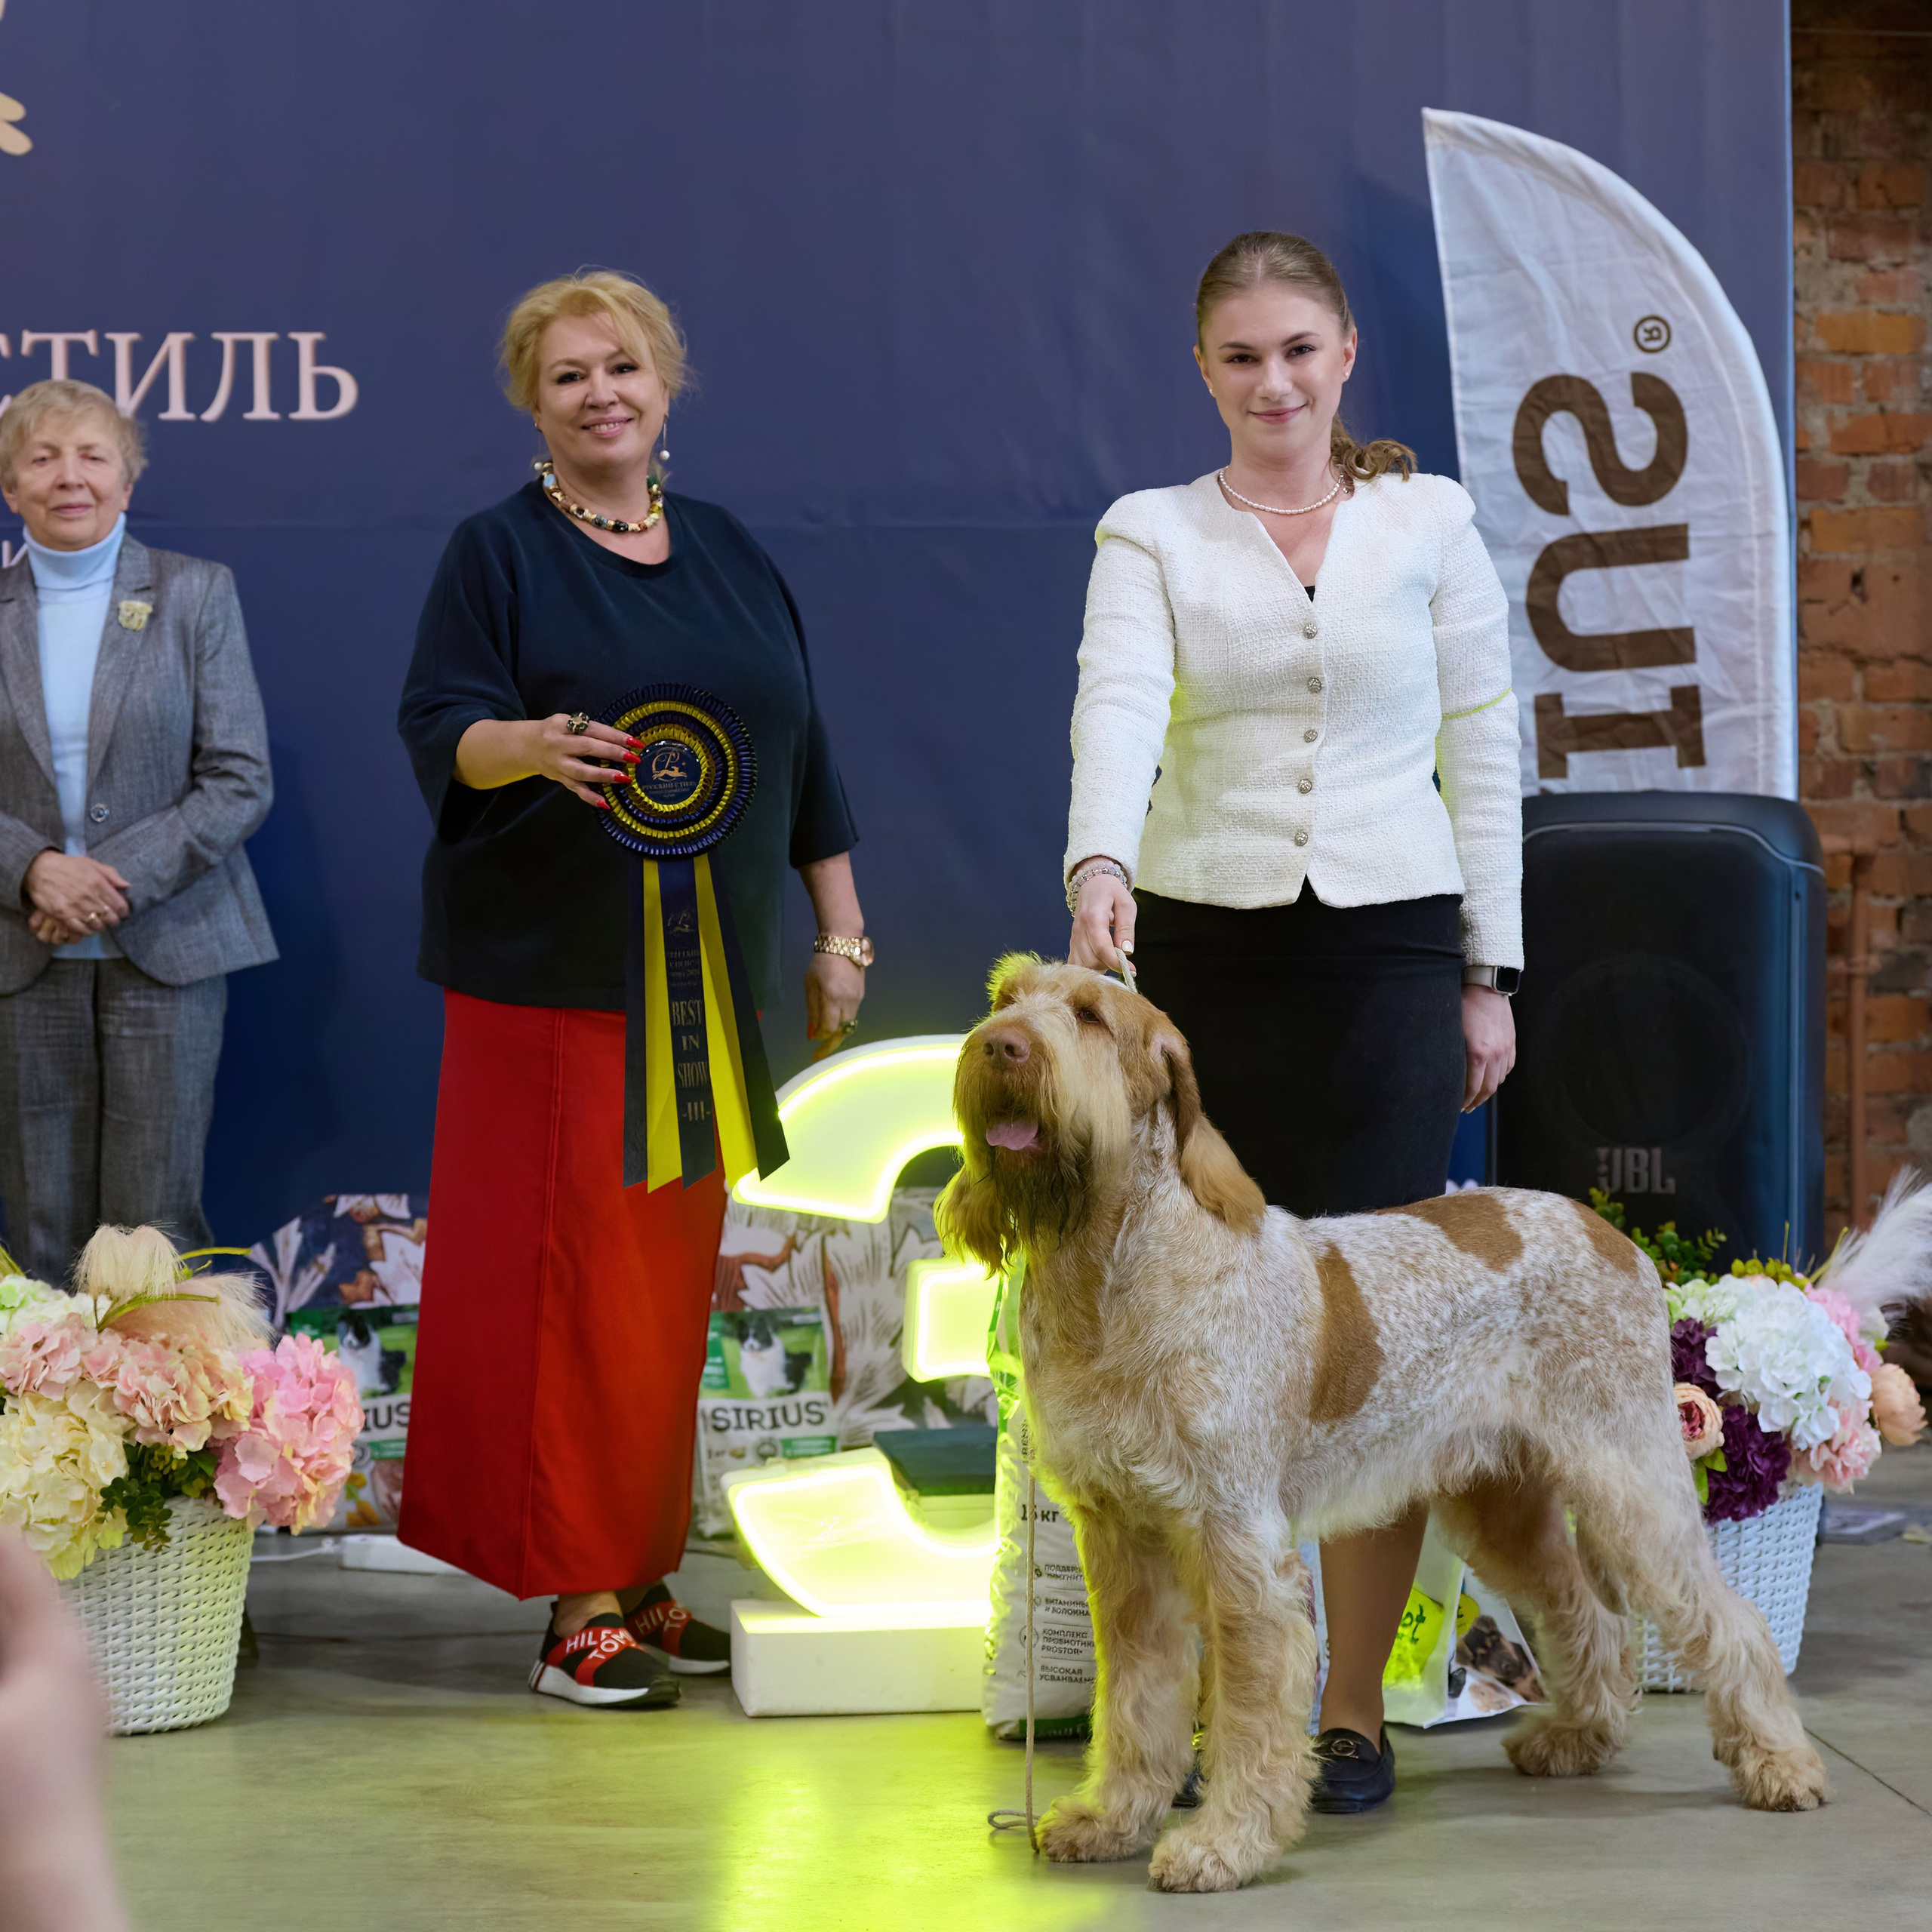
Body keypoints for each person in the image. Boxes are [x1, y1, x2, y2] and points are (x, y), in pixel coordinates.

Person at [1063, 232, 1521, 1811]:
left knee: (1365, 1345)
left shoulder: (1431, 520)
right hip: (1203, 961)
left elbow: (1483, 736)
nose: (1272, 382)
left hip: (1395, 955)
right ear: (1203, 371)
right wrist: (1098, 860)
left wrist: (1489, 965)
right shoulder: (1149, 532)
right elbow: (1115, 700)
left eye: (1298, 351)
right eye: (1241, 357)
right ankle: (1202, 1713)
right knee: (1205, 1347)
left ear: (1343, 359)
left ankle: (1346, 1706)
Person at [398, 271, 866, 1707]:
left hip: (705, 994)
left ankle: (645, 1569)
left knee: (660, 1293)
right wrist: (525, 747)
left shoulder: (727, 549)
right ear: (531, 406)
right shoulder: (498, 553)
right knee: (563, 1291)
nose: (600, 393)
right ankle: (576, 1606)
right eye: (567, 377)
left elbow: (802, 750)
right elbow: (438, 729)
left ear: (667, 383)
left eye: (623, 367)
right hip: (549, 987)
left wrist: (836, 929)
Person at [0, 379, 276, 1286]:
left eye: (92, 456)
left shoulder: (198, 595)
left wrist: (98, 881)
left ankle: (164, 1430)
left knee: (155, 1225)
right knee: (39, 1224)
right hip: (19, 949)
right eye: (42, 458)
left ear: (128, 478)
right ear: (11, 487)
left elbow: (239, 778)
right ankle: (48, 1432)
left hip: (172, 945)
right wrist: (34, 868)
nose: (68, 477)